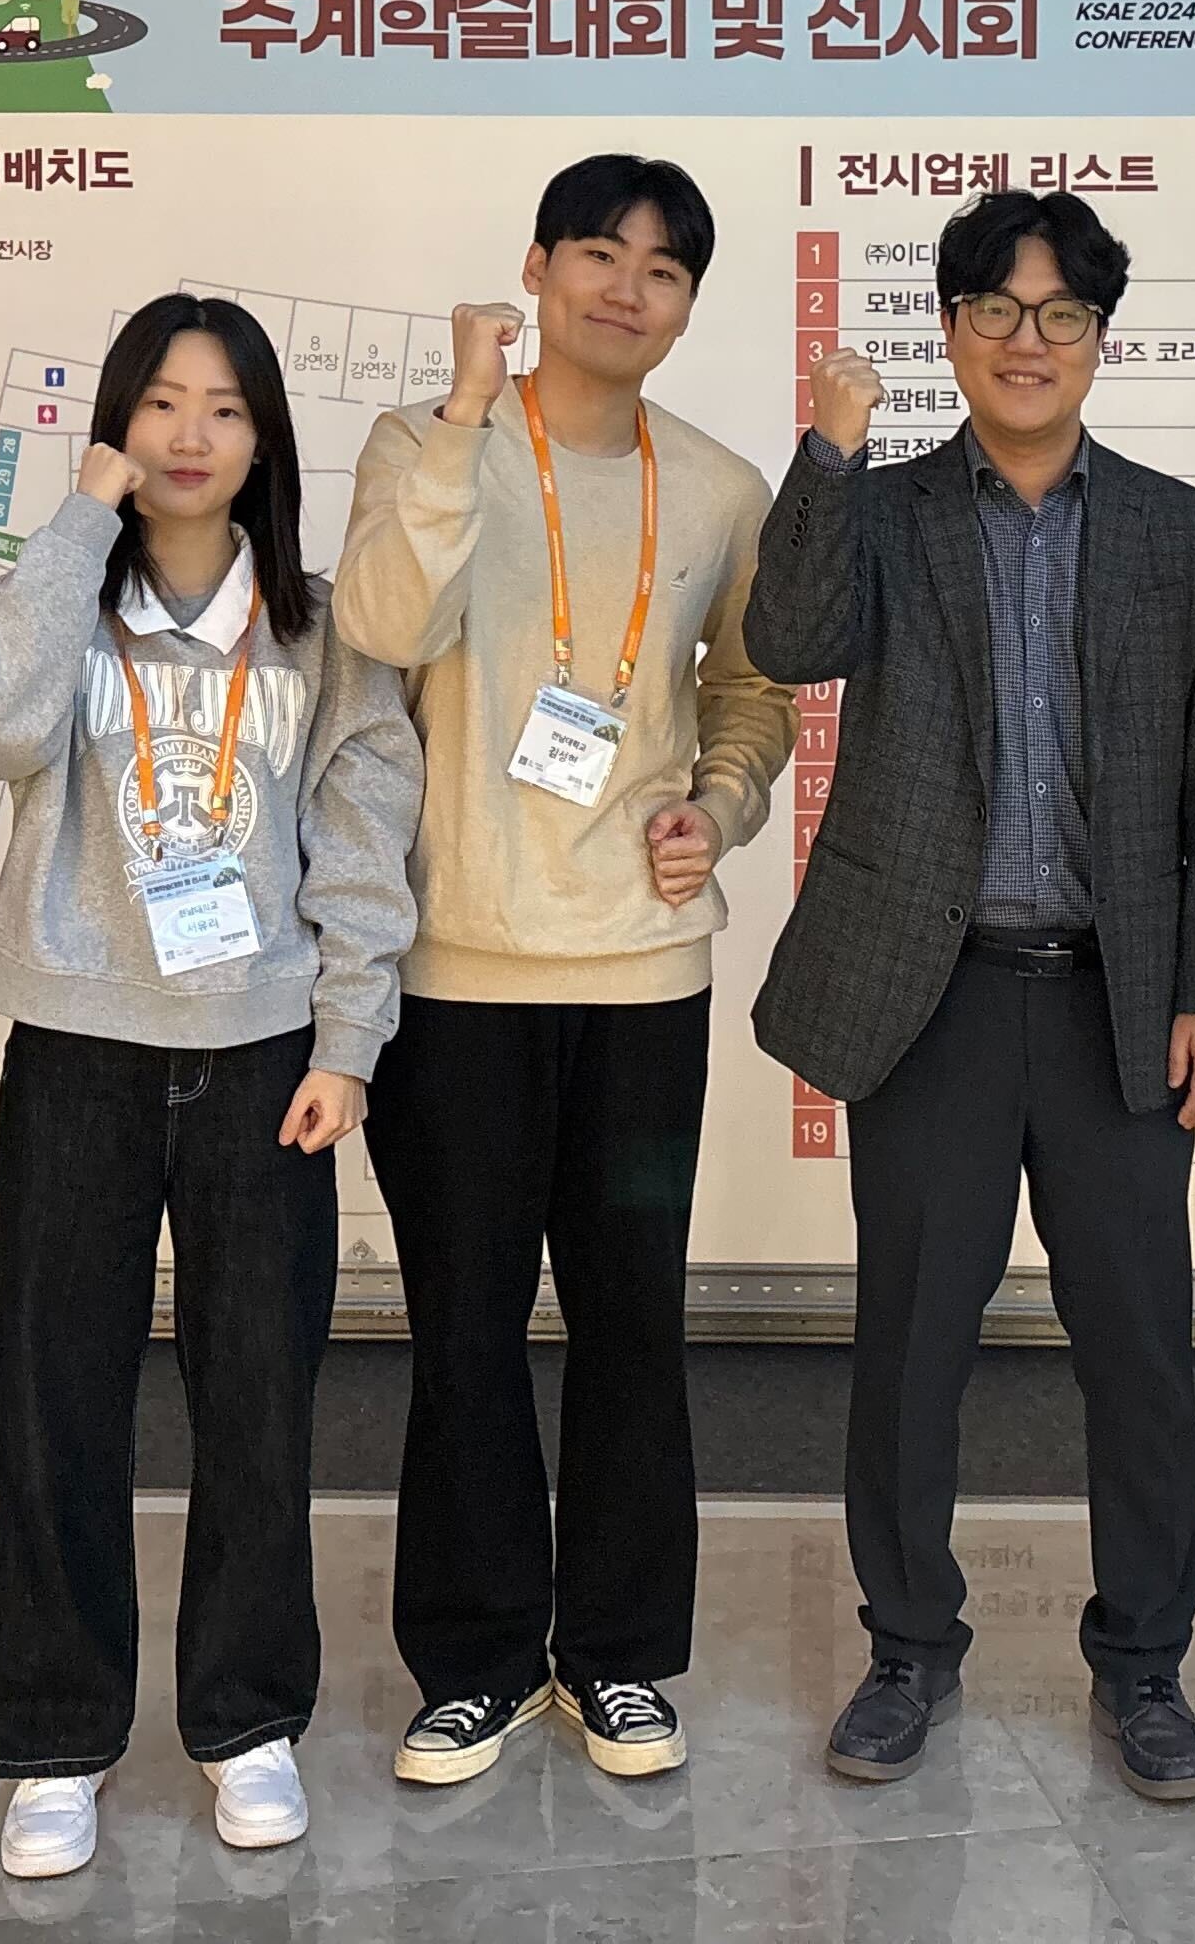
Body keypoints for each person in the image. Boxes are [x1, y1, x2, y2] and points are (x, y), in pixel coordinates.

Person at [746, 189, 1195, 1802]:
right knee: (911, 1343)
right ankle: (908, 1648)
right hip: (934, 996)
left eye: (1061, 315)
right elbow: (789, 635)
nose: (1027, 341)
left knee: (1141, 1350)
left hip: (1120, 996)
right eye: (995, 310)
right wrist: (828, 453)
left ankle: (1146, 1665)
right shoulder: (888, 510)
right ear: (952, 331)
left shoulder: (1177, 529)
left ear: (1100, 339)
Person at [0, 295, 420, 1875]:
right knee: (55, 1397)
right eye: (162, 404)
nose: (190, 435)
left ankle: (248, 1719)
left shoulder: (321, 630)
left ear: (266, 441)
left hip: (264, 1055)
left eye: (225, 409)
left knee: (258, 1399)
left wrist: (348, 1041)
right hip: (79, 1048)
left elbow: (363, 835)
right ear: (119, 425)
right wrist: (81, 516)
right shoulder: (61, 600)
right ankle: (55, 1737)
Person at [334, 154, 796, 1787]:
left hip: (644, 982)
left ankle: (619, 1657)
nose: (627, 289)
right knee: (461, 1328)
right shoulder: (421, 443)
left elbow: (751, 695)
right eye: (599, 253)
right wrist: (468, 412)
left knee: (632, 1323)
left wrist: (719, 809)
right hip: (454, 976)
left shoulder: (721, 486)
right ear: (535, 269)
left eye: (663, 270)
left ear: (688, 305)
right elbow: (383, 627)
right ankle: (472, 1663)